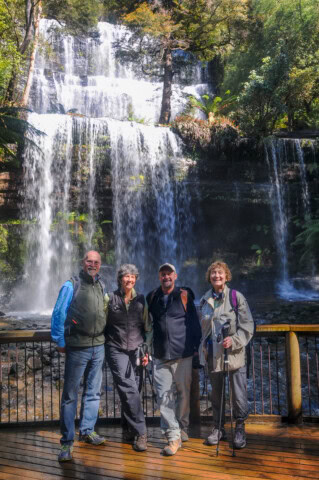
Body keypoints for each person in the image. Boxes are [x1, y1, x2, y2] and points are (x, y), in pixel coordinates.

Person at [51, 250, 107, 462]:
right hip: (77, 346)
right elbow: (58, 313)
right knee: (70, 396)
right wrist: (60, 341)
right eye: (89, 261)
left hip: (98, 346)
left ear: (100, 265)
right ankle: (66, 442)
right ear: (83, 263)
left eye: (96, 262)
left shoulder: (101, 285)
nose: (92, 264)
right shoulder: (71, 284)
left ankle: (87, 430)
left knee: (93, 392)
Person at [146, 263, 201, 456]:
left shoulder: (185, 295)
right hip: (160, 355)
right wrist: (145, 348)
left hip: (183, 354)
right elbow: (147, 325)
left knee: (183, 394)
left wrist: (196, 350)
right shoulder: (152, 297)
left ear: (175, 276)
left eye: (169, 274)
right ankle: (173, 436)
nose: (166, 277)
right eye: (163, 274)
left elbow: (194, 323)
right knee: (163, 396)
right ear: (159, 276)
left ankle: (182, 427)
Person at [199, 260, 254, 449]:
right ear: (209, 276)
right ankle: (218, 428)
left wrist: (235, 340)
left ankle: (239, 427)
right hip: (213, 355)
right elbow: (203, 329)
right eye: (213, 273)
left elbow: (247, 326)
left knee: (238, 394)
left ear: (226, 275)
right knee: (216, 394)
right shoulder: (205, 300)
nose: (217, 276)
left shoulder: (235, 297)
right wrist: (203, 348)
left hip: (234, 355)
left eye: (220, 273)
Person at [105, 264, 151, 452]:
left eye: (132, 277)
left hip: (137, 350)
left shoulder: (141, 300)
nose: (129, 280)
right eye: (126, 276)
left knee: (134, 389)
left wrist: (146, 350)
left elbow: (148, 327)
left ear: (136, 279)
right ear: (120, 278)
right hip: (116, 349)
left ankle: (127, 429)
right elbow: (100, 322)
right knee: (129, 388)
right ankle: (142, 432)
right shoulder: (109, 298)